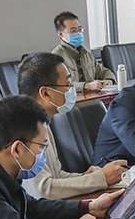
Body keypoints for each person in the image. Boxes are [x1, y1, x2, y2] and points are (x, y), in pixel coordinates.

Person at [17, 52, 128, 198]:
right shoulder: (24, 127)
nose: (72, 90)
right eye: (68, 85)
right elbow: (43, 190)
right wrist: (101, 178)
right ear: (46, 93)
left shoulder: (42, 121)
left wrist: (87, 177)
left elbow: (57, 176)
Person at [51, 11, 115, 93]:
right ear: (61, 34)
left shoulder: (85, 53)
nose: (78, 33)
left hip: (91, 96)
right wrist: (86, 86)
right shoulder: (56, 56)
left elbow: (103, 71)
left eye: (79, 29)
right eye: (73, 31)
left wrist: (109, 79)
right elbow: (60, 85)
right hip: (73, 98)